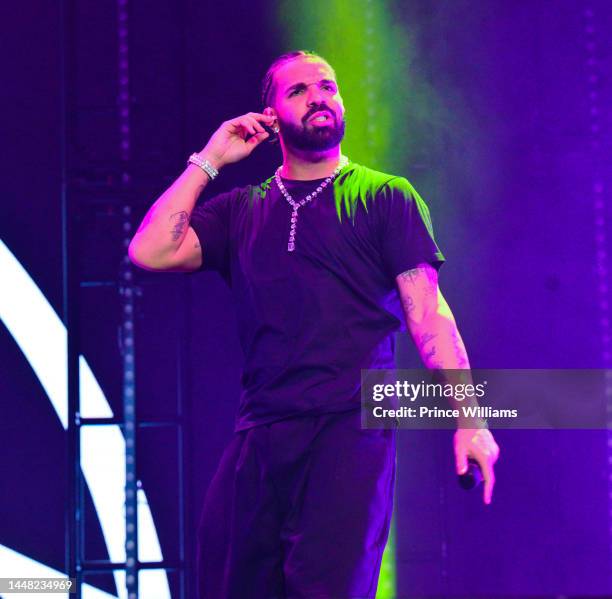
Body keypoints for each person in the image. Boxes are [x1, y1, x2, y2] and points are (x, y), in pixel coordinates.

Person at [129, 50, 500, 599]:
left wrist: (470, 419)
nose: (318, 96)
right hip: (259, 434)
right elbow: (151, 250)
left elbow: (430, 315)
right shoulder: (242, 210)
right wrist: (211, 157)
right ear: (271, 116)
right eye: (299, 90)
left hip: (348, 432)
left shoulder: (384, 197)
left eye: (327, 86)